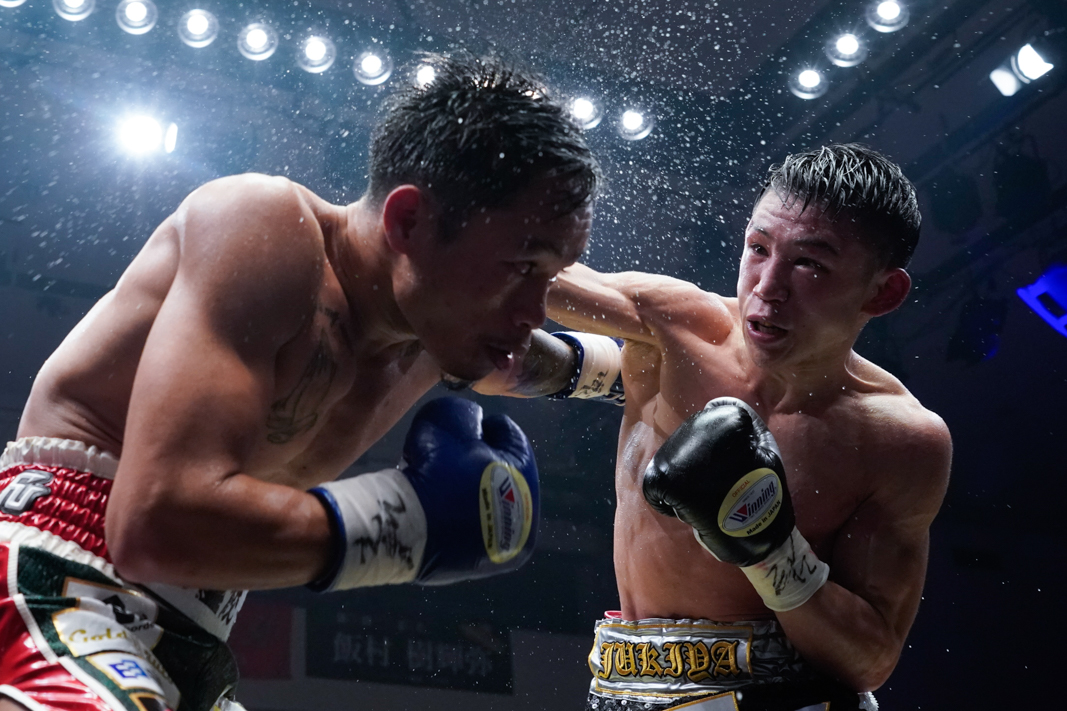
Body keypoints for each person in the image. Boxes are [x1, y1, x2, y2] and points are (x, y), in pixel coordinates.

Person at [0, 53, 599, 711]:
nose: (536, 309)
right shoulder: (263, 229)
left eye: (551, 275)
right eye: (523, 266)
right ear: (409, 222)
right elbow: (153, 524)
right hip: (60, 569)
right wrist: (405, 525)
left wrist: (656, 372)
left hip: (196, 630)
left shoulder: (448, 327)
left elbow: (606, 347)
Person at [478, 144, 952, 710]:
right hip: (621, 683)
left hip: (782, 697)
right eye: (758, 248)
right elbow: (523, 273)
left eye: (810, 264)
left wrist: (769, 550)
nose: (768, 286)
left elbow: (869, 659)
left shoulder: (897, 438)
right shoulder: (678, 326)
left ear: (883, 292)